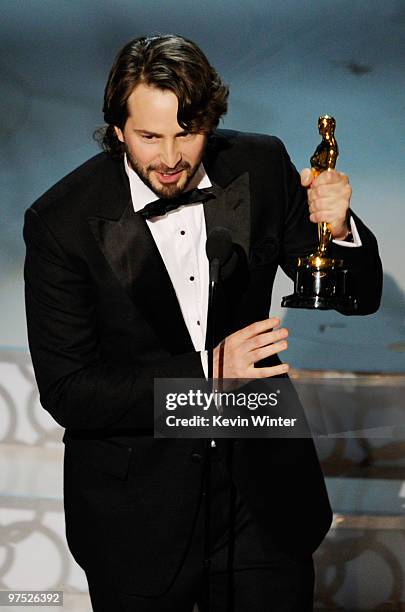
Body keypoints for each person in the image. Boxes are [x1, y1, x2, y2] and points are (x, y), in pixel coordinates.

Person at [23, 34, 382, 611]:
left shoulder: (260, 166)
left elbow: (355, 298)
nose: (170, 157)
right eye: (149, 136)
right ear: (118, 129)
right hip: (138, 510)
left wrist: (337, 231)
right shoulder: (60, 221)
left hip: (263, 491)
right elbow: (70, 391)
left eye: (187, 132)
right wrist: (208, 372)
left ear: (210, 121)